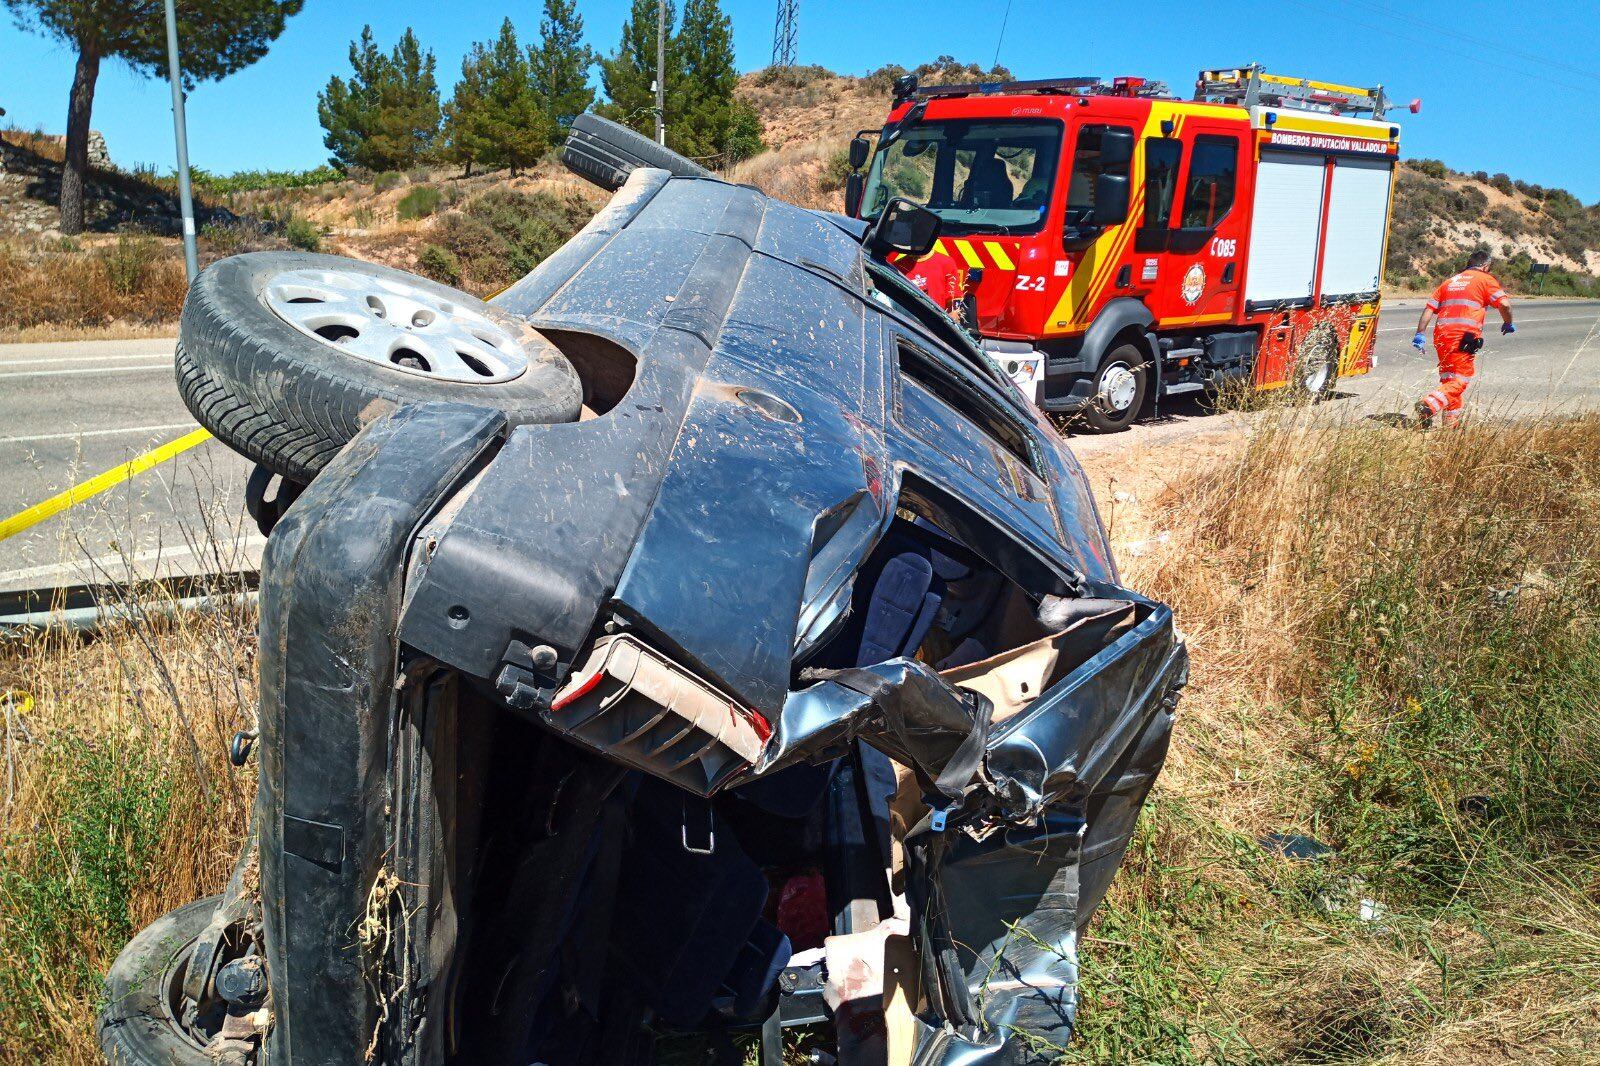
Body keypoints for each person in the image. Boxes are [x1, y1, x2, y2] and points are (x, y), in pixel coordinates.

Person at [1411, 250, 1514, 426]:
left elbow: (1429, 309)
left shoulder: (1449, 282)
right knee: (1460, 381)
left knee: (1449, 381)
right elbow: (1504, 304)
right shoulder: (1485, 279)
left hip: (1442, 336)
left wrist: (1420, 333)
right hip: (1463, 337)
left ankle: (1451, 427)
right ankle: (1429, 404)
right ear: (1486, 266)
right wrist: (1507, 322)